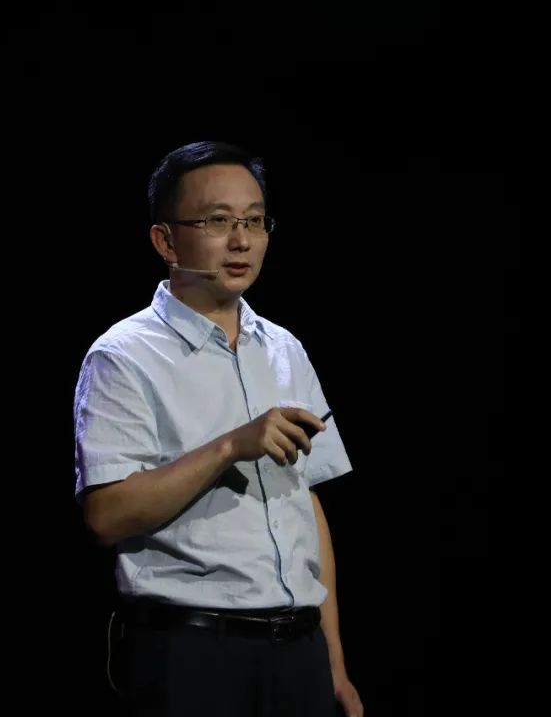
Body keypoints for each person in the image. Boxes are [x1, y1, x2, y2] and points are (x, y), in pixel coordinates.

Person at [74, 141, 364, 717]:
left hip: (299, 651)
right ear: (165, 241)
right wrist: (231, 445)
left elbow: (306, 504)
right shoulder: (123, 355)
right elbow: (106, 516)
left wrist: (332, 660)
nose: (241, 240)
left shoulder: (284, 348)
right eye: (217, 221)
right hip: (193, 653)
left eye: (254, 221)